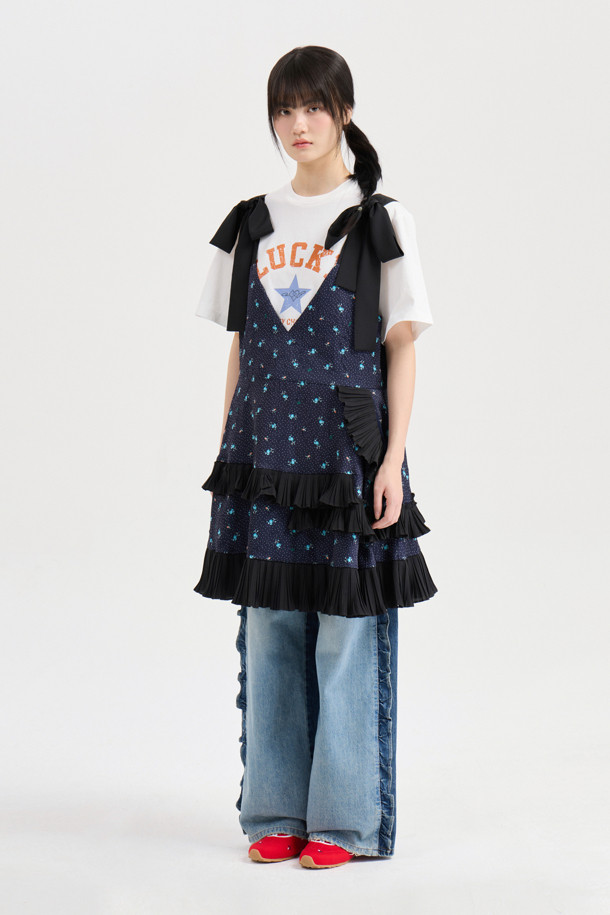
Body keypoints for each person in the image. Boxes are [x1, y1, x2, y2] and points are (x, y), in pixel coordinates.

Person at [193, 45, 438, 869]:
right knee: (269, 627)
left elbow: (402, 347)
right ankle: (273, 810)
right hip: (263, 455)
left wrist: (392, 460)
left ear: (344, 113)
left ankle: (344, 820)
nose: (298, 124)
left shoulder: (380, 220)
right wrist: (228, 450)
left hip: (345, 456)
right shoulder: (251, 221)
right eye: (285, 109)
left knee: (345, 632)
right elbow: (241, 346)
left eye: (314, 107)